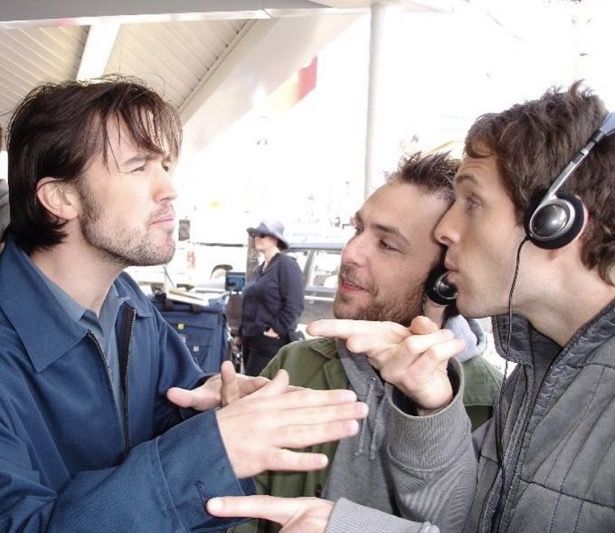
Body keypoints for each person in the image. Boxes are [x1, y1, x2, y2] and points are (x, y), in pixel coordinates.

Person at [206, 82, 615, 532]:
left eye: (472, 202)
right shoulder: (534, 376)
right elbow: (464, 523)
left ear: (555, 221)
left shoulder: (500, 392)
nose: (448, 230)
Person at [0, 77, 368, 531]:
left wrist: (205, 410)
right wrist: (210, 450)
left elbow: (153, 416)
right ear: (61, 197)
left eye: (167, 166)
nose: (169, 189)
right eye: (138, 167)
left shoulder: (127, 302)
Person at [233, 152, 502, 533]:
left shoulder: (493, 406)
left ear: (446, 279)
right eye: (357, 230)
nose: (351, 253)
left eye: (387, 244)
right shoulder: (295, 367)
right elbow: (242, 511)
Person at [239, 219, 304, 376]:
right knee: (249, 384)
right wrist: (241, 334)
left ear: (275, 239)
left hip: (270, 343)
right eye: (255, 234)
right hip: (251, 340)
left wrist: (275, 330)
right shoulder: (259, 269)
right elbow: (251, 304)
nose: (256, 238)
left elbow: (295, 303)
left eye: (262, 235)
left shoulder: (286, 264)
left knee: (259, 390)